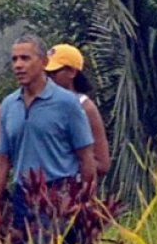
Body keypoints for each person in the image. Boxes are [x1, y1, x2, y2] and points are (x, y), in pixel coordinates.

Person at [0, 34, 96, 244]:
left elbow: (87, 158)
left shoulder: (67, 104)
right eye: (14, 59)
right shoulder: (8, 105)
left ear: (43, 63)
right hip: (23, 195)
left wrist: (85, 205)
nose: (18, 65)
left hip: (60, 194)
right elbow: (2, 160)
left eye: (25, 58)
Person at [45, 44, 110, 177]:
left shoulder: (85, 107)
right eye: (45, 74)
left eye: (54, 73)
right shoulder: (38, 106)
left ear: (72, 72)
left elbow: (103, 165)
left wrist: (63, 160)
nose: (48, 79)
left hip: (72, 189)